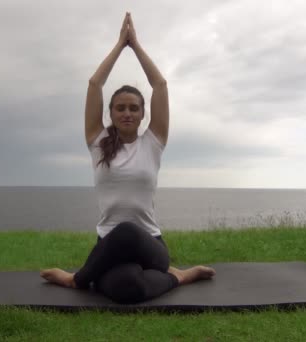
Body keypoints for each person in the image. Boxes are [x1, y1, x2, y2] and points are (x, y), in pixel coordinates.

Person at [40, 12, 215, 304]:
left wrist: (135, 47)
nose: (127, 113)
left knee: (127, 231)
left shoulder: (153, 142)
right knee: (128, 289)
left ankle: (76, 279)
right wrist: (119, 45)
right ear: (111, 113)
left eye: (134, 108)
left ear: (143, 114)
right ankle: (179, 276)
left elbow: (160, 86)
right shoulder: (97, 142)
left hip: (151, 246)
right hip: (110, 247)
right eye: (120, 108)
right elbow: (95, 85)